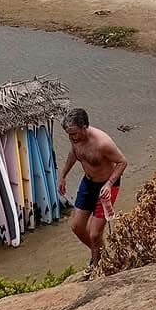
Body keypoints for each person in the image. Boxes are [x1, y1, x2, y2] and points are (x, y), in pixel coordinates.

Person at [57, 108, 128, 280]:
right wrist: (63, 175)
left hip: (106, 187)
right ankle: (101, 255)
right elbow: (74, 154)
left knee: (95, 234)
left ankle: (97, 267)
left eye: (74, 133)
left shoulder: (102, 143)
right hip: (88, 183)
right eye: (69, 134)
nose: (72, 138)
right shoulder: (75, 140)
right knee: (77, 226)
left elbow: (122, 162)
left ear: (84, 127)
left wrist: (109, 184)